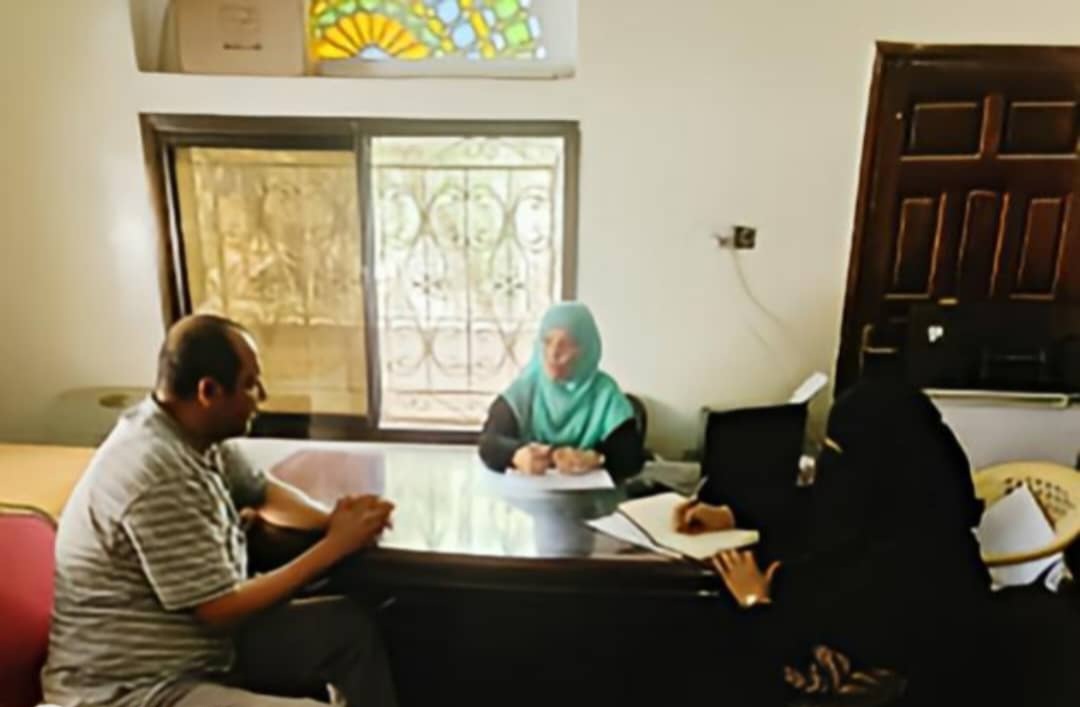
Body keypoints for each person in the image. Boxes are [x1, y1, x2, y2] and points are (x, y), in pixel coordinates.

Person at [42, 314, 398, 707]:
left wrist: (333, 520)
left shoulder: (188, 434)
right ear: (208, 391)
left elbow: (260, 491)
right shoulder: (155, 470)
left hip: (200, 647)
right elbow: (222, 608)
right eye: (249, 384)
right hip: (134, 687)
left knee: (347, 630)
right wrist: (336, 544)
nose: (261, 396)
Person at [679, 381, 998, 705]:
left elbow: (799, 676)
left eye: (838, 454)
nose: (825, 466)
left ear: (881, 474)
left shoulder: (909, 584)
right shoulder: (922, 523)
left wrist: (754, 602)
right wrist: (730, 514)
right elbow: (810, 505)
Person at [478, 302, 644, 481]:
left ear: (586, 349)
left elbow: (631, 457)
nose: (553, 353)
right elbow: (489, 442)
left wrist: (596, 458)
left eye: (565, 344)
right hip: (529, 495)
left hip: (591, 497)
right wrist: (516, 454)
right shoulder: (526, 388)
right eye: (547, 342)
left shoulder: (605, 393)